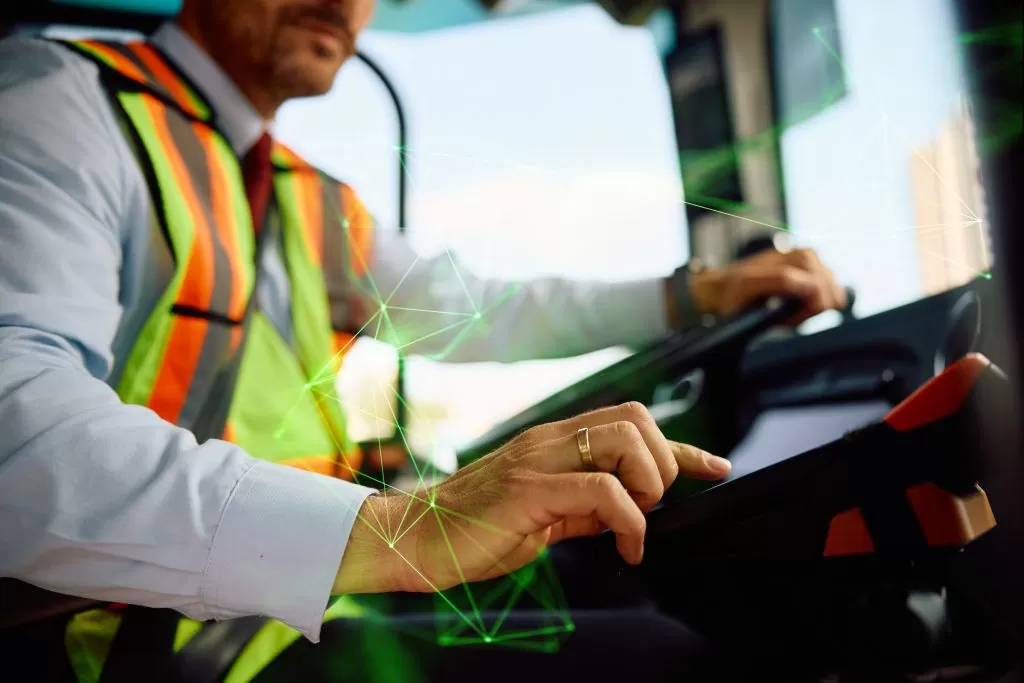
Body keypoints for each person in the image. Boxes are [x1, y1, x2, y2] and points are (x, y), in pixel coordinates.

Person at [0, 1, 848, 680]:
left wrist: (691, 292)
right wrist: (399, 528)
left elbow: (474, 308)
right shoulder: (59, 103)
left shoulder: (307, 196)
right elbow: (16, 435)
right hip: (145, 639)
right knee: (668, 660)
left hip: (300, 603)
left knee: (635, 588)